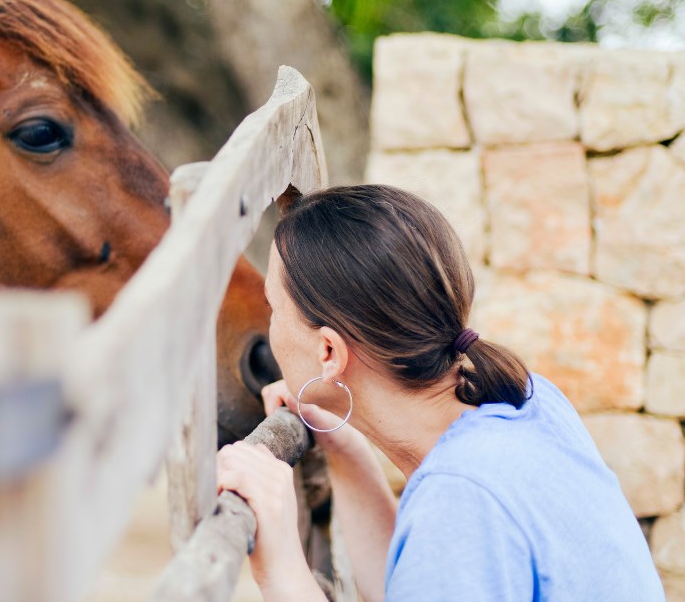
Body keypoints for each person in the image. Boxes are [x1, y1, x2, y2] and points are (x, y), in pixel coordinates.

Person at [216, 184, 664, 602]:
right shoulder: (527, 400)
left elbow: (452, 540)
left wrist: (279, 564)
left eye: (274, 307)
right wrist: (345, 447)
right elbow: (426, 578)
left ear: (328, 351)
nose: (269, 323)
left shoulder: (462, 497)